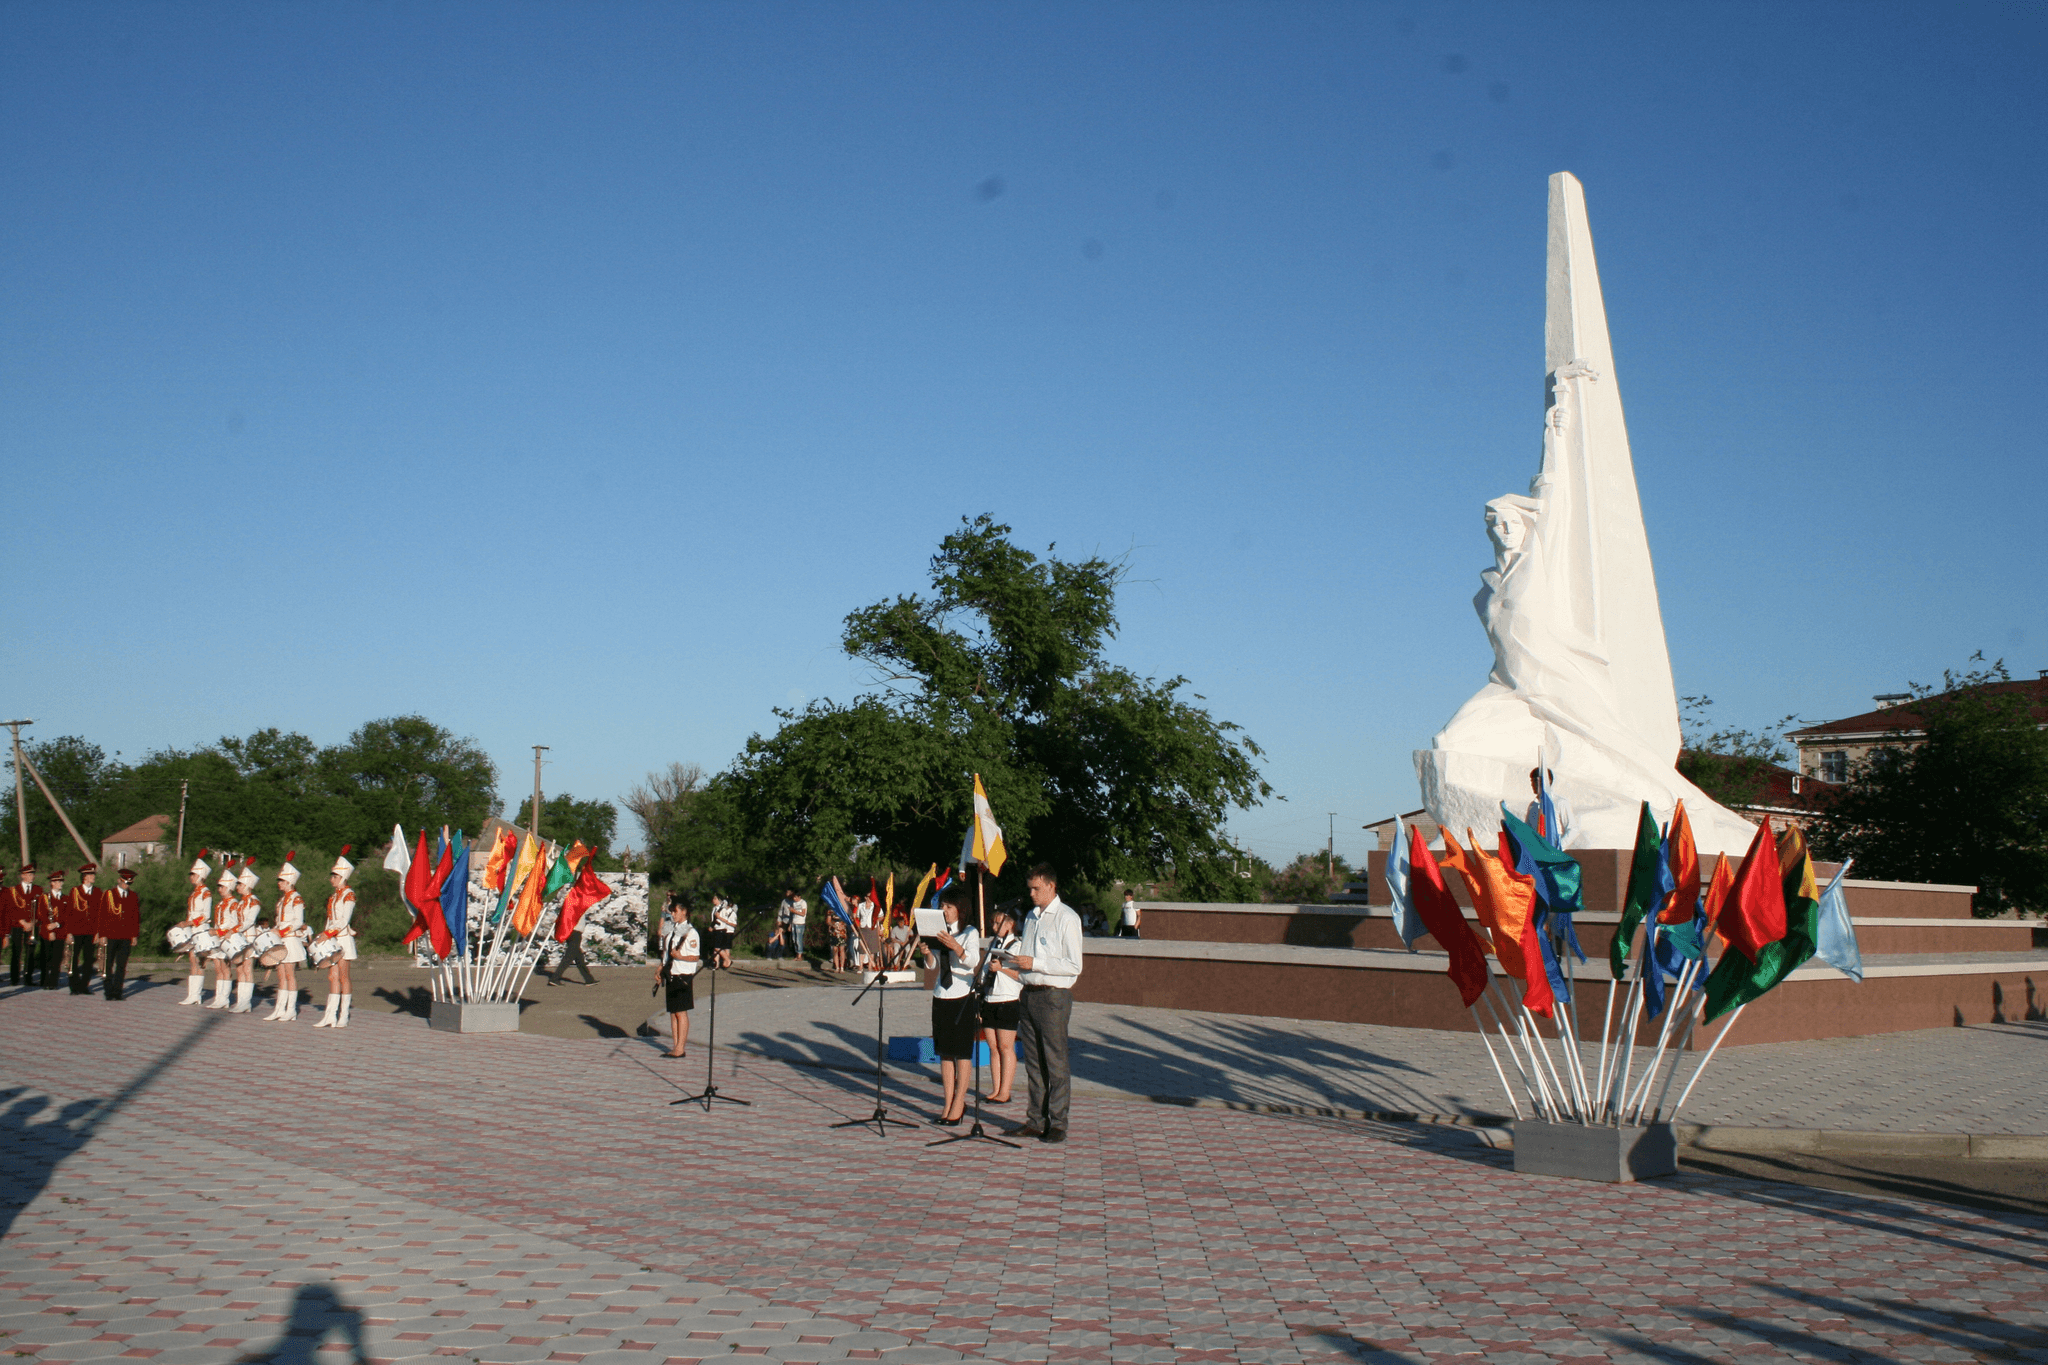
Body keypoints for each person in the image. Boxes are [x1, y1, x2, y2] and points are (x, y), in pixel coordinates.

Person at [1004, 863, 1083, 1144]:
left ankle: (1058, 1122)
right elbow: (1026, 958)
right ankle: (1036, 1121)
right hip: (1029, 993)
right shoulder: (1032, 917)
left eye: (1037, 888)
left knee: (1055, 1061)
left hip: (1053, 997)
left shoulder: (1066, 918)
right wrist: (1010, 964)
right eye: (1030, 889)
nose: (1032, 894)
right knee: (1034, 1063)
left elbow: (1074, 965)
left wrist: (1036, 963)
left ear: (1051, 886)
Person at [923, 886, 982, 1125]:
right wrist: (927, 952)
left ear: (961, 909)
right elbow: (932, 966)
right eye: (942, 907)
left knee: (961, 1052)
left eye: (949, 907)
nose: (944, 911)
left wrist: (955, 946)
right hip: (941, 994)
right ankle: (947, 1102)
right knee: (945, 1053)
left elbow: (973, 963)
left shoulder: (969, 932)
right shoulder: (939, 932)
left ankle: (960, 1101)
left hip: (962, 996)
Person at [977, 905, 1023, 1105]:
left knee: (1006, 1046)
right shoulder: (992, 945)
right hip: (990, 997)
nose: (994, 926)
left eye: (999, 922)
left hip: (1008, 999)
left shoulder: (1018, 946)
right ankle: (995, 1089)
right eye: (993, 923)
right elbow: (985, 971)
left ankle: (1006, 1090)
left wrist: (1002, 968)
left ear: (1011, 924)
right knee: (993, 1047)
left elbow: (1021, 975)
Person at [312, 848, 357, 1028]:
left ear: (342, 877)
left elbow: (344, 920)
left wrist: (328, 934)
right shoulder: (333, 896)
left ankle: (343, 1015)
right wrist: (323, 936)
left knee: (344, 976)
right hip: (332, 939)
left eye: (334, 876)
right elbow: (330, 919)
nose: (331, 879)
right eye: (331, 876)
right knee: (332, 976)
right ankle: (330, 1014)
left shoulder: (349, 895)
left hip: (343, 939)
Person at [264, 855, 308, 1021]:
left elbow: (298, 921)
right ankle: (279, 1008)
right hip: (280, 939)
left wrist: (282, 932)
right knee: (280, 974)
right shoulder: (282, 900)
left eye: (282, 880)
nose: (279, 883)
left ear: (289, 881)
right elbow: (279, 920)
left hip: (289, 939)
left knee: (290, 974)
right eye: (279, 880)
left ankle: (291, 1009)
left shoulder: (296, 898)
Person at [658, 896, 700, 1058]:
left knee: (681, 1012)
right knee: (673, 1012)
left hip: (683, 975)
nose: (673, 914)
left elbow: (695, 957)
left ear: (684, 912)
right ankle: (675, 1046)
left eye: (675, 911)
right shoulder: (672, 929)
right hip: (671, 974)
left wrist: (680, 956)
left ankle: (680, 1048)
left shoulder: (691, 932)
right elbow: (667, 953)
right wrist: (660, 968)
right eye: (672, 911)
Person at [225, 860, 262, 1013]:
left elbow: (249, 921)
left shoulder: (254, 902)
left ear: (247, 885)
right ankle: (241, 1001)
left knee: (247, 969)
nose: (237, 887)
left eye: (239, 884)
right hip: (239, 937)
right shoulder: (240, 903)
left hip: (249, 937)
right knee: (239, 969)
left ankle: (246, 1002)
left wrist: (234, 930)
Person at [175, 853, 213, 1004]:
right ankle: (193, 995)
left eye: (193, 874)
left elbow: (205, 915)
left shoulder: (206, 893)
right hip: (192, 929)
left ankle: (196, 995)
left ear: (200, 876)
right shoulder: (194, 893)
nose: (191, 877)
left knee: (198, 960)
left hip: (201, 929)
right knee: (192, 960)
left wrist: (189, 923)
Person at [99, 867, 140, 1001]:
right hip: (110, 934)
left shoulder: (133, 896)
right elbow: (102, 915)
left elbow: (135, 917)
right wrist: (102, 934)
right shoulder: (109, 894)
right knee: (108, 964)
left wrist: (134, 935)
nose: (126, 885)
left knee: (121, 965)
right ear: (119, 880)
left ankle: (118, 991)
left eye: (129, 883)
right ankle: (108, 990)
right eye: (125, 882)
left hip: (125, 935)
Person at [62, 865, 99, 994]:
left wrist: (98, 932)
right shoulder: (75, 891)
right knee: (74, 959)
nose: (94, 877)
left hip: (91, 932)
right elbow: (69, 913)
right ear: (85, 877)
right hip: (76, 931)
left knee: (89, 960)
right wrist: (68, 932)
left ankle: (84, 985)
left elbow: (100, 914)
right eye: (91, 875)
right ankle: (74, 986)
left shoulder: (98, 892)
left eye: (94, 874)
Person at [4, 864, 39, 986]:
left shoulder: (38, 890)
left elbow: (41, 909)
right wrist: (22, 922)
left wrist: (32, 922)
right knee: (16, 951)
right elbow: (10, 909)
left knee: (30, 952)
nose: (32, 876)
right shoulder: (13, 890)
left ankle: (28, 978)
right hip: (17, 925)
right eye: (29, 874)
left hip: (32, 926)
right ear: (22, 875)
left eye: (33, 874)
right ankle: (14, 978)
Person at [36, 868, 67, 990]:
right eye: (58, 882)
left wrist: (57, 925)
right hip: (46, 932)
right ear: (52, 883)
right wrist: (50, 930)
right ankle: (44, 981)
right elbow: (41, 915)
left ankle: (53, 982)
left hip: (60, 932)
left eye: (61, 881)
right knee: (46, 957)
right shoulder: (44, 898)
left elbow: (67, 915)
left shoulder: (66, 898)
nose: (60, 884)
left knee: (57, 958)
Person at [708, 893, 737, 969]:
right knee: (715, 948)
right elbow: (713, 919)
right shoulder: (714, 908)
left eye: (715, 898)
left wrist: (719, 917)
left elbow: (726, 920)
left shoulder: (723, 909)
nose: (713, 900)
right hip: (716, 928)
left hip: (721, 929)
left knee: (718, 948)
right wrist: (711, 926)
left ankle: (727, 960)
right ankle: (716, 964)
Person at [779, 888, 807, 960]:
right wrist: (790, 925)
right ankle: (797, 954)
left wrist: (794, 911)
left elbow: (803, 913)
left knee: (799, 940)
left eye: (795, 897)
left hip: (800, 923)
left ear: (799, 897)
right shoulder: (793, 903)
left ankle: (800, 955)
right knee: (794, 940)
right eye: (793, 897)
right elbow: (792, 915)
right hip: (794, 922)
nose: (794, 898)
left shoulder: (803, 903)